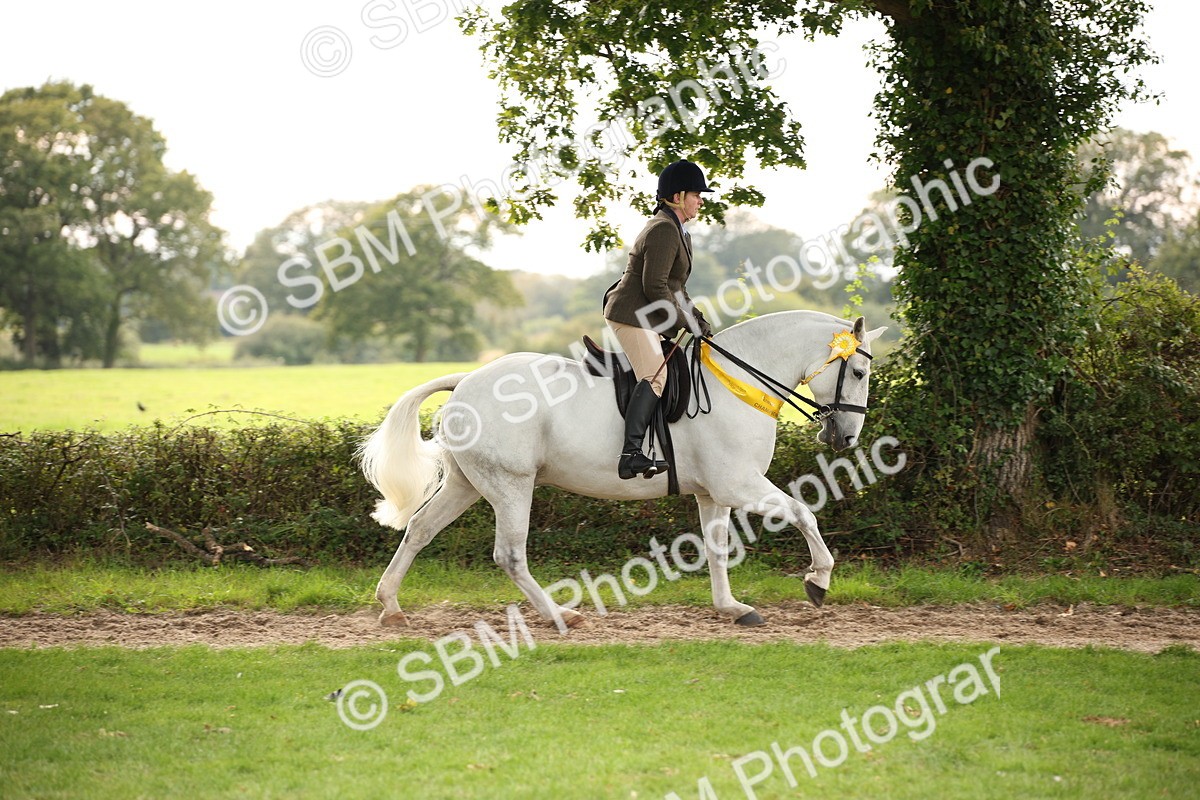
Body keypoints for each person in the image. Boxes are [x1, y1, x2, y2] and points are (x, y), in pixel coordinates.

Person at [602, 159, 714, 480]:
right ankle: (631, 454)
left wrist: (698, 321)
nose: (700, 200)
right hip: (630, 315)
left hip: (646, 315)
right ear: (678, 196)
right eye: (696, 194)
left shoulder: (680, 233)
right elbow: (655, 286)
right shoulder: (664, 229)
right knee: (655, 375)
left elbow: (677, 289)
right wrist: (682, 323)